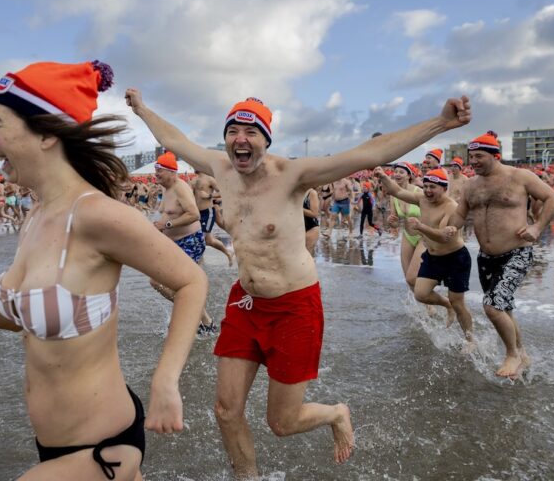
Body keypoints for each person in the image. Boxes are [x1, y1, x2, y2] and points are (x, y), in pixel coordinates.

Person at [0, 60, 207, 479]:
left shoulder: (97, 216)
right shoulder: (37, 213)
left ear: (47, 132)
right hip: (54, 444)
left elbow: (191, 280)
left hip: (104, 447)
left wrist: (166, 380)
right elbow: (17, 317)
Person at [126, 87, 470, 478]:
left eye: (251, 132)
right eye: (233, 130)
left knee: (282, 423)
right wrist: (142, 109)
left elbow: (371, 153)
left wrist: (441, 123)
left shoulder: (292, 175)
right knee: (225, 410)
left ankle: (336, 413)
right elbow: (175, 140)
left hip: (294, 306)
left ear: (266, 140)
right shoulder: (220, 168)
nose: (241, 139)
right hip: (246, 302)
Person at [445, 132, 554, 379]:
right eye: (471, 156)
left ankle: (512, 355)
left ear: (496, 156)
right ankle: (522, 353)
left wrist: (537, 227)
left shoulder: (519, 177)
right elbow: (460, 214)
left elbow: (553, 198)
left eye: (479, 156)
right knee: (504, 308)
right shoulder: (470, 185)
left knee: (492, 306)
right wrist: (451, 225)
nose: (473, 161)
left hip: (516, 252)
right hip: (486, 257)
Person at [375, 167, 475, 352]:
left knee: (458, 302)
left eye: (433, 187)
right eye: (426, 186)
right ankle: (446, 305)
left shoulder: (451, 206)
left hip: (455, 258)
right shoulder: (422, 199)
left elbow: (444, 237)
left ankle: (470, 339)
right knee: (420, 294)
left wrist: (421, 227)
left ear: (444, 188)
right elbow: (397, 191)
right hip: (433, 256)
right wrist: (383, 177)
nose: (428, 190)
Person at [151, 151, 216, 334]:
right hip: (173, 242)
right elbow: (167, 212)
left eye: (159, 171)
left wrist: (169, 224)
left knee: (180, 283)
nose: (156, 175)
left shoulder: (180, 187)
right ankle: (201, 318)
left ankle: (197, 318)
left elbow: (194, 214)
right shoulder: (166, 188)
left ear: (171, 172)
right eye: (156, 170)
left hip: (190, 241)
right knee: (156, 281)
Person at [388, 162, 427, 292]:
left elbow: (432, 213)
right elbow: (395, 223)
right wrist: (391, 221)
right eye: (396, 172)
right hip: (407, 235)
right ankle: (427, 309)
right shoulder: (393, 195)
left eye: (401, 172)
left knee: (413, 277)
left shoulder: (418, 192)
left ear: (408, 175)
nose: (397, 174)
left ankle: (441, 302)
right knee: (408, 279)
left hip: (423, 236)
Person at [192, 171, 234, 266]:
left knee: (200, 238)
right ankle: (228, 252)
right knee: (209, 240)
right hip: (196, 213)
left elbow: (223, 191)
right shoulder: (194, 180)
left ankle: (198, 262)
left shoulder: (209, 179)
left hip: (207, 212)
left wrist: (209, 196)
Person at [303, 187, 320, 255]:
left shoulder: (312, 193)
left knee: (306, 255)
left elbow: (314, 213)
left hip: (311, 227)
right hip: (298, 228)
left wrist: (297, 208)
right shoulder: (296, 193)